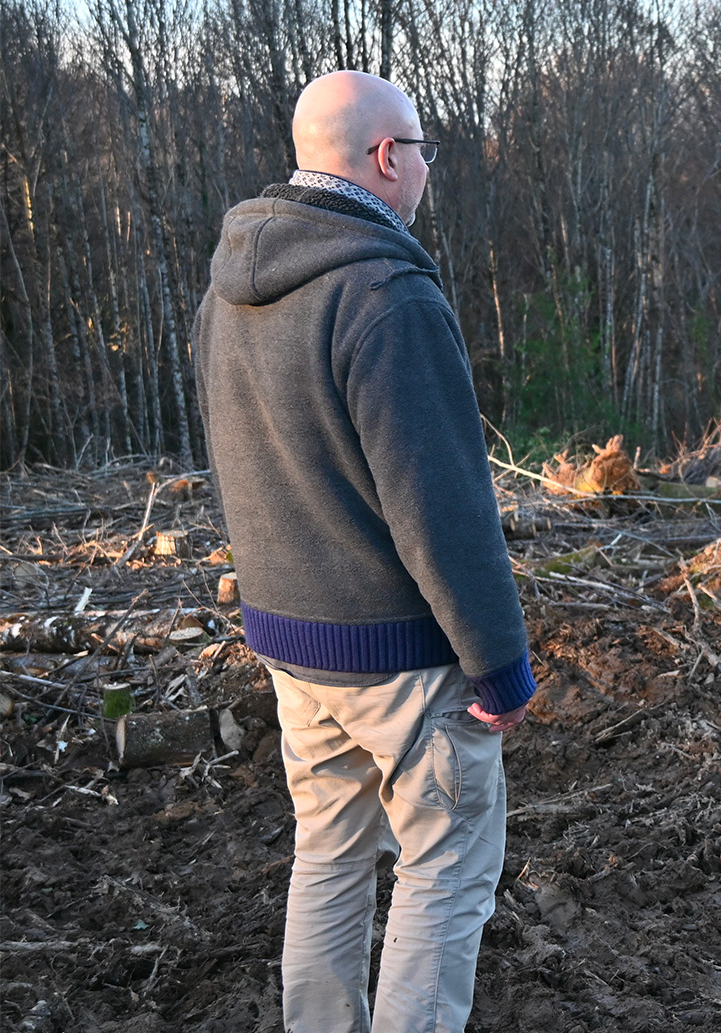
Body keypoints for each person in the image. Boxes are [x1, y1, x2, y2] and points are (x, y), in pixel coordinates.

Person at [195, 70, 535, 1033]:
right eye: (422, 147)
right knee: (445, 873)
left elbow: (235, 465)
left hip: (292, 643)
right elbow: (443, 508)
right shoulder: (385, 293)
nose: (427, 166)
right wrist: (499, 667)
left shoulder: (229, 293)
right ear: (387, 156)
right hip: (402, 658)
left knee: (330, 858)